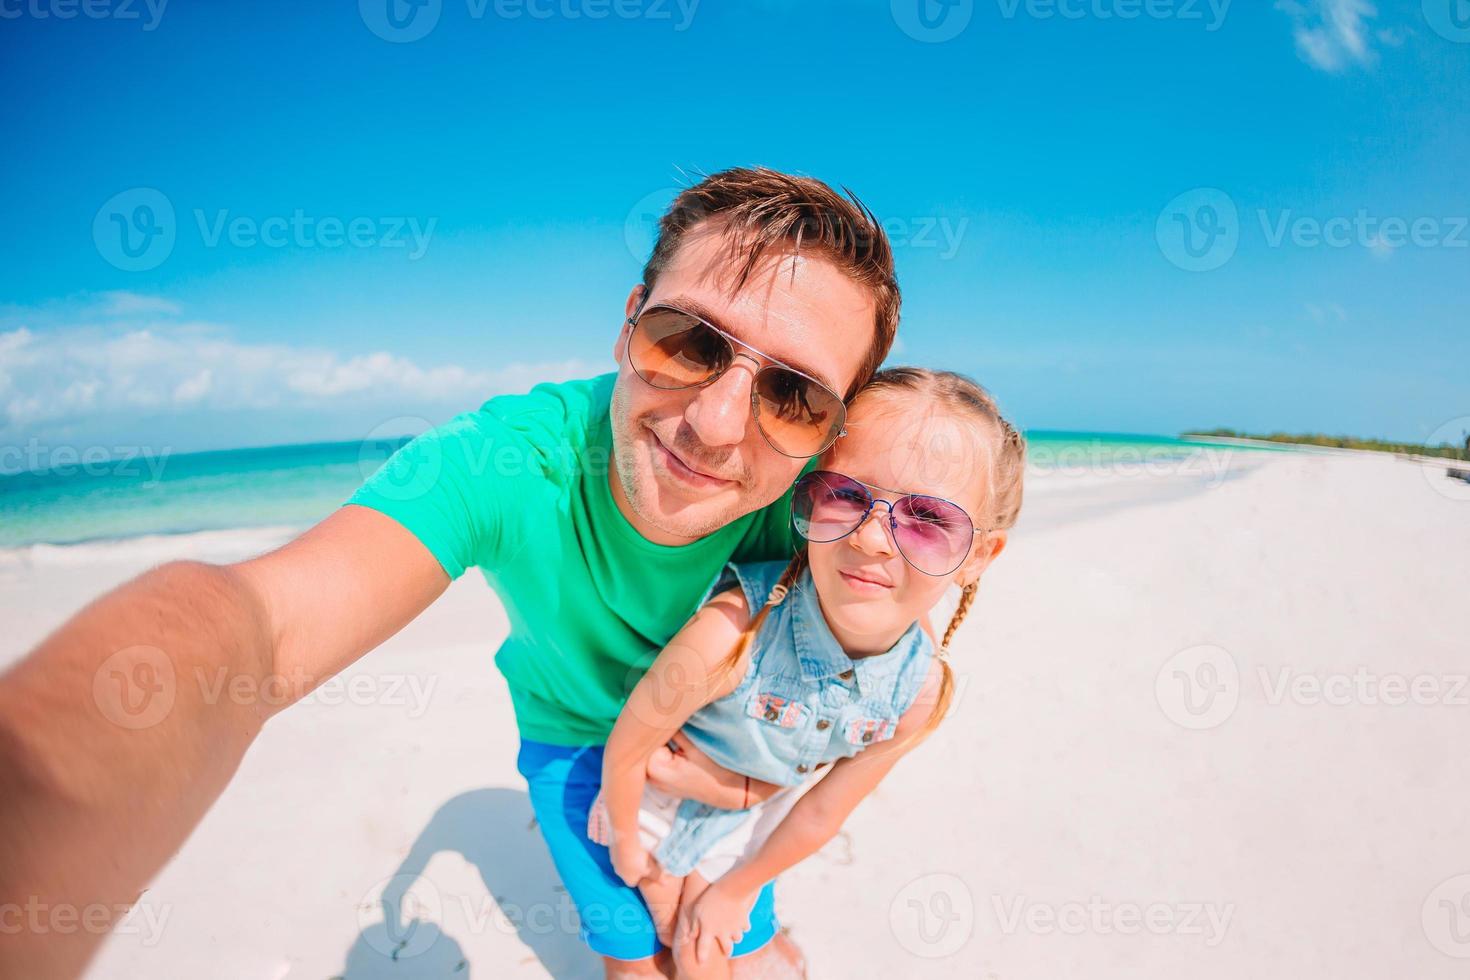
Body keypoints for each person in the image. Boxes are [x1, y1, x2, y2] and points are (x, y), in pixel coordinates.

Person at [0, 167, 900, 979]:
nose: (713, 423)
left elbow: (888, 679)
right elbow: (263, 629)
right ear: (630, 322)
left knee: (740, 945)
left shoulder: (825, 512)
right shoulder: (508, 464)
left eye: (792, 395)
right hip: (578, 741)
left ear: (833, 430)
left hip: (721, 749)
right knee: (636, 964)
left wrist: (750, 793)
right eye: (690, 343)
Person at [591, 368, 1024, 978]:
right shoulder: (736, 627)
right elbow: (632, 742)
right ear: (811, 493)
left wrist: (737, 889)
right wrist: (632, 850)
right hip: (651, 799)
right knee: (647, 952)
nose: (873, 539)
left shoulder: (917, 691)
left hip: (748, 824)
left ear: (978, 555)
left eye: (928, 518)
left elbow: (821, 813)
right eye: (847, 493)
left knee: (703, 957)